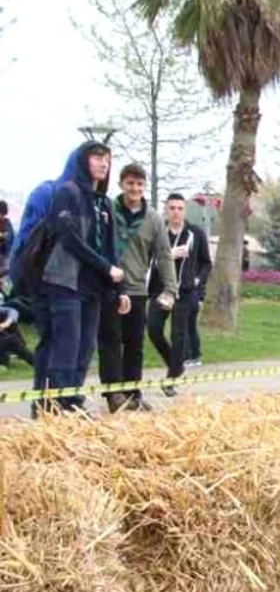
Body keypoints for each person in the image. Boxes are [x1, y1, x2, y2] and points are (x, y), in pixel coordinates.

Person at [34, 141, 128, 414]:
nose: (103, 163)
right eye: (97, 157)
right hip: (63, 283)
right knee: (65, 346)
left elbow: (111, 248)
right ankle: (55, 404)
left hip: (93, 288)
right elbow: (68, 237)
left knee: (85, 349)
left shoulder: (105, 203)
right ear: (83, 160)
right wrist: (105, 266)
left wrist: (119, 288)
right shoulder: (68, 193)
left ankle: (71, 402)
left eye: (108, 160)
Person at [98, 164, 178, 412]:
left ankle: (132, 394)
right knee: (110, 341)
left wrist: (170, 289)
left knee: (134, 344)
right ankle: (113, 394)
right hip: (108, 287)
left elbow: (164, 255)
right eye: (130, 183)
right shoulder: (107, 209)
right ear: (121, 184)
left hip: (136, 289)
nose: (135, 189)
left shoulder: (152, 218)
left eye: (139, 184)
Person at [148, 193, 211, 396]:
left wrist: (197, 282)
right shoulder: (158, 232)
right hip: (162, 290)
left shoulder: (195, 233)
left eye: (180, 208)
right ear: (166, 209)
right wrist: (168, 256)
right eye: (172, 208)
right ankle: (176, 365)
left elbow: (206, 263)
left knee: (179, 336)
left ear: (185, 210)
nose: (176, 212)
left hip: (184, 293)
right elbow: (148, 261)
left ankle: (171, 379)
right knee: (154, 330)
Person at [0, 200, 13, 277]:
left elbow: (10, 236)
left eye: (2, 214)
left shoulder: (7, 222)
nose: (1, 216)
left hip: (4, 253)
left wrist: (3, 236)